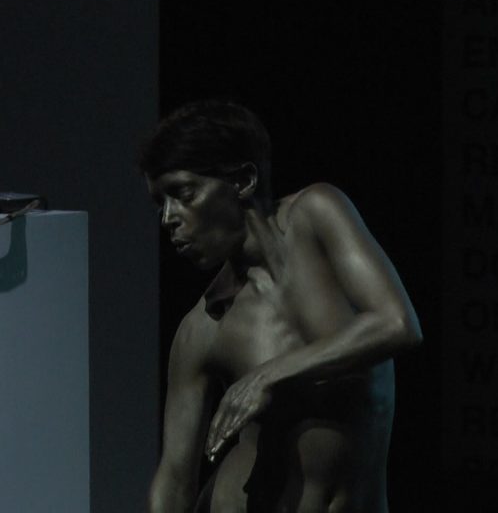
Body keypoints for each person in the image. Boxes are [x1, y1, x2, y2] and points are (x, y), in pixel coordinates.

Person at [141, 101, 422, 512]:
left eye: (184, 194)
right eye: (160, 203)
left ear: (243, 180)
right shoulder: (203, 328)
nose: (168, 218)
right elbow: (174, 480)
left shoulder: (316, 215)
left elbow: (398, 323)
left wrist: (269, 376)